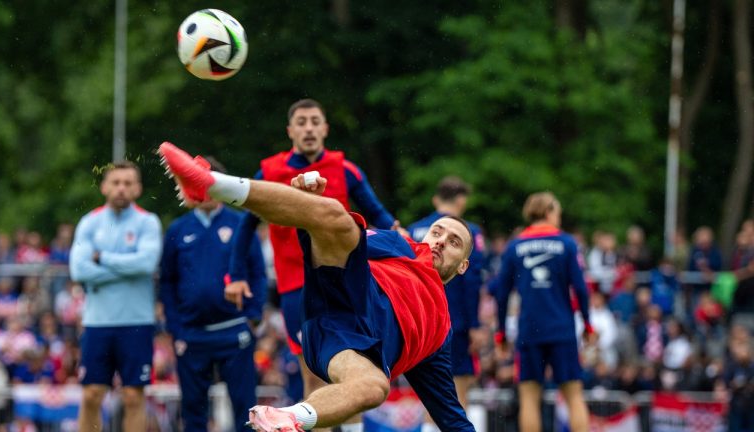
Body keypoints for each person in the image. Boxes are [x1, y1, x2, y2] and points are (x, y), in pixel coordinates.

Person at [158, 142, 475, 431]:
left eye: (454, 242)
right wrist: (309, 204)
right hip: (342, 293)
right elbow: (339, 239)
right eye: (437, 232)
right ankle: (212, 184)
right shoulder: (401, 245)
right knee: (337, 216)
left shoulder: (440, 332)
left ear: (463, 265)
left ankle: (288, 417)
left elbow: (452, 417)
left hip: (345, 347)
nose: (440, 241)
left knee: (375, 387)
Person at [225, 98, 396, 407]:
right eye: (301, 123)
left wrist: (402, 244)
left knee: (357, 368)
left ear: (325, 129)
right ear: (290, 131)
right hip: (297, 288)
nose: (309, 129)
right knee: (314, 373)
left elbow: (380, 216)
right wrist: (236, 275)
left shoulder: (346, 170)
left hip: (347, 285)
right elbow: (245, 226)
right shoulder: (269, 171)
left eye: (315, 122)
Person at [160, 157, 268, 432]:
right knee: (193, 409)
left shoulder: (241, 224)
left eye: (207, 183)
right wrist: (176, 328)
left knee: (246, 408)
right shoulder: (178, 229)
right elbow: (167, 282)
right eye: (194, 183)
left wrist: (253, 317)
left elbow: (258, 273)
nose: (202, 190)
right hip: (192, 334)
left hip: (234, 331)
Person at [489, 192, 594, 432]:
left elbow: (502, 294)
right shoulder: (567, 243)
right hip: (562, 329)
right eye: (557, 212)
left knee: (529, 398)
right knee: (573, 396)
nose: (559, 217)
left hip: (529, 330)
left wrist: (501, 333)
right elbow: (581, 288)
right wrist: (587, 325)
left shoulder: (514, 246)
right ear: (548, 211)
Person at [69, 161, 162, 431]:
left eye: (128, 183)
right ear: (104, 186)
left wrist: (102, 259)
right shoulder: (89, 222)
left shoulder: (148, 222)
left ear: (138, 188)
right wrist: (126, 268)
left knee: (134, 397)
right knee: (91, 395)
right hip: (98, 323)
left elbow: (146, 264)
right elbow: (79, 269)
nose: (121, 188)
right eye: (116, 182)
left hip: (137, 322)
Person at [407, 176, 485, 425]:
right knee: (455, 393)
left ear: (435, 199)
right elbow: (471, 282)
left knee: (428, 390)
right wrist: (475, 324)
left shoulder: (415, 230)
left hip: (415, 318)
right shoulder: (469, 233)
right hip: (453, 321)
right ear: (461, 200)